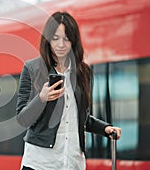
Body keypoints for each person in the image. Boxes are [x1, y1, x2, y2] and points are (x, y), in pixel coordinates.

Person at [16, 11, 121, 170]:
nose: (61, 44)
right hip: (40, 163)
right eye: (55, 38)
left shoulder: (83, 72)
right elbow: (23, 119)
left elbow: (79, 116)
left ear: (74, 41)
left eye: (66, 39)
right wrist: (41, 98)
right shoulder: (32, 69)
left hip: (73, 162)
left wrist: (104, 128)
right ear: (47, 39)